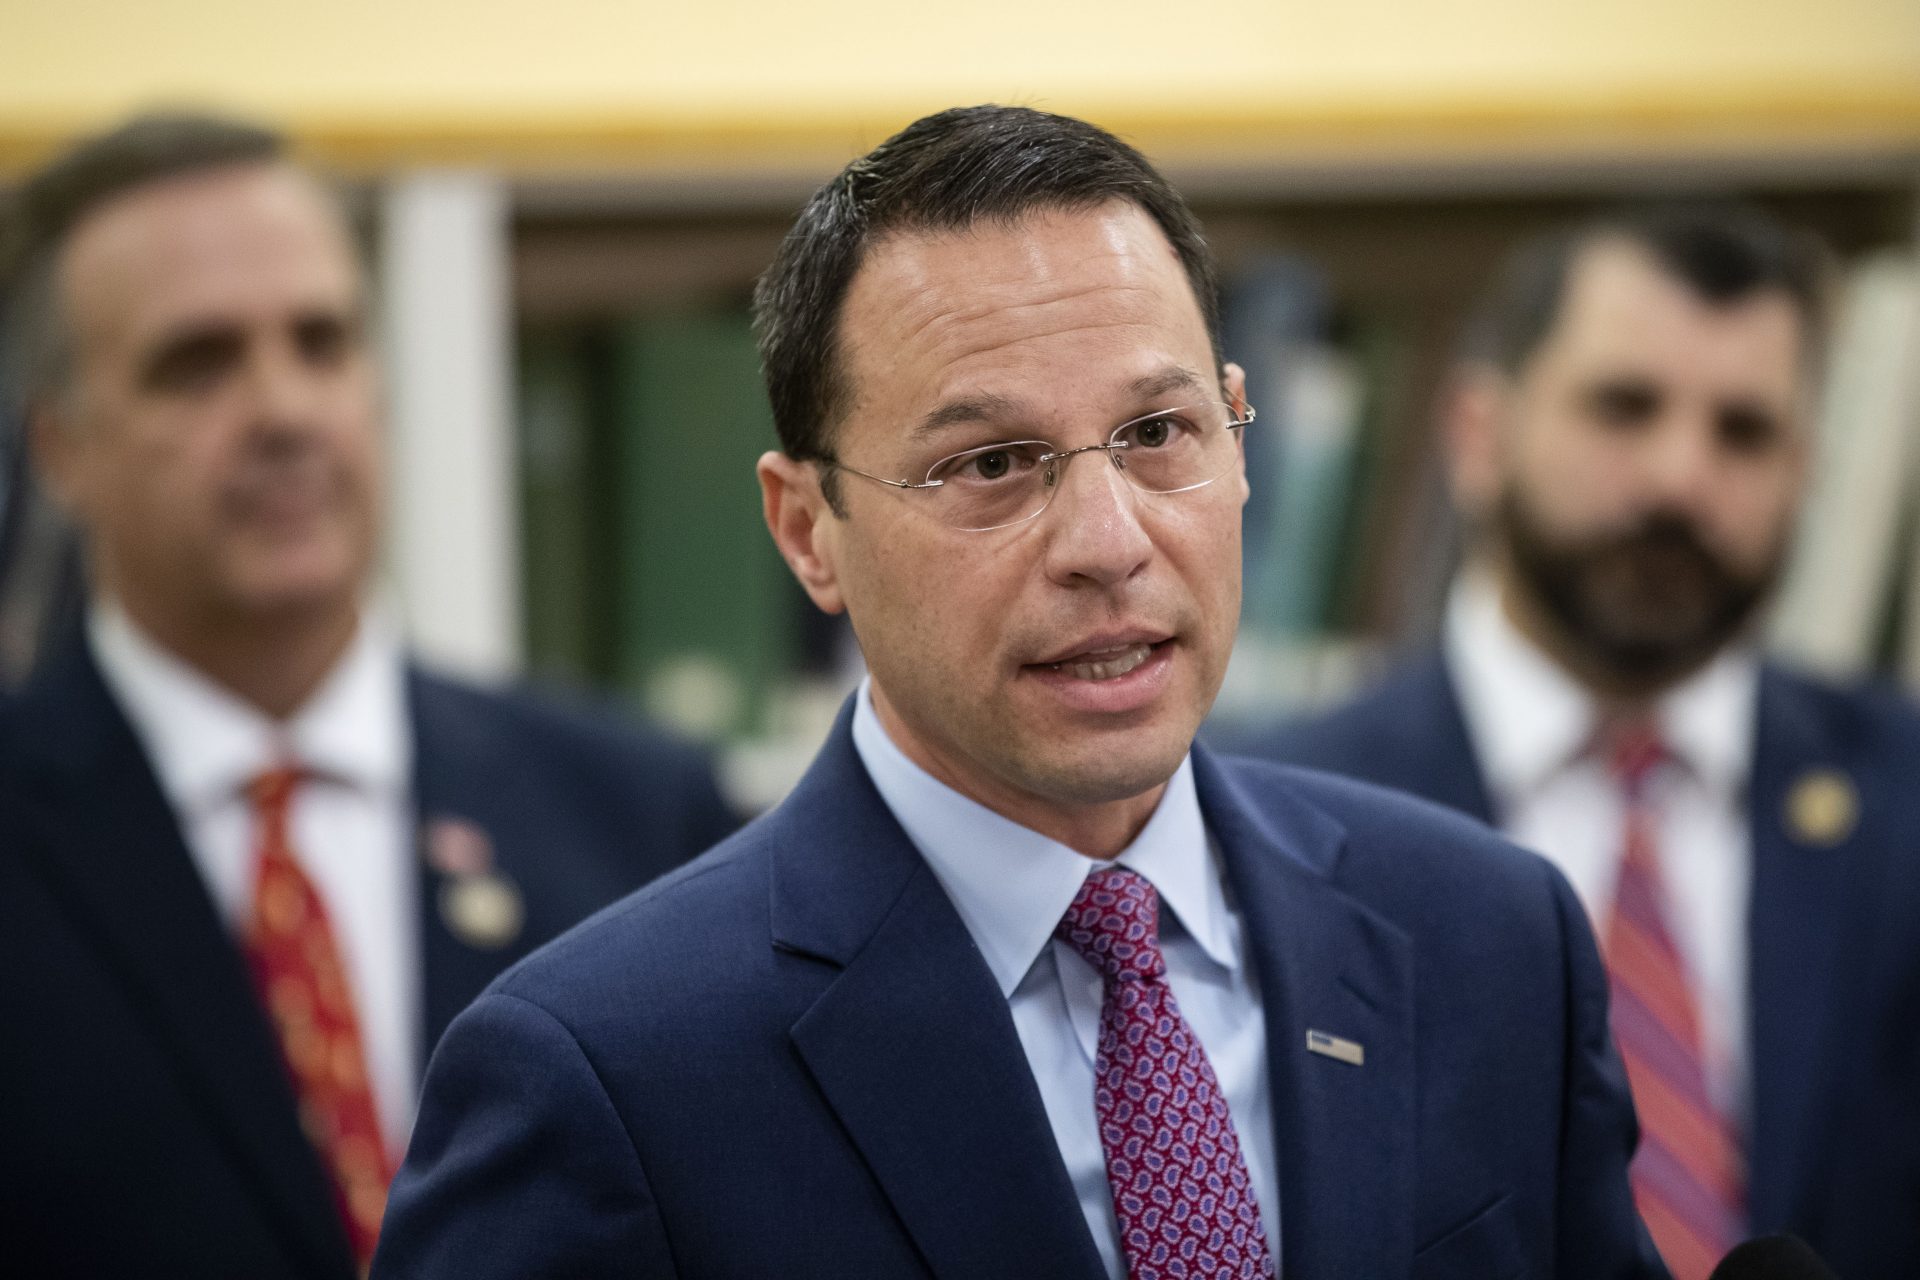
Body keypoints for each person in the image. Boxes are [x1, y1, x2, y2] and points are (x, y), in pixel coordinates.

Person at [374, 105, 1666, 1280]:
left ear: (1237, 435)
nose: (1109, 541)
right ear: (807, 530)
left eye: (1160, 435)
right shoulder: (603, 1075)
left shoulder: (1492, 943)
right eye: (992, 463)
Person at [0, 113, 737, 1280]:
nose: (284, 409)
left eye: (323, 340)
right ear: (61, 448)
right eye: (197, 362)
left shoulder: (646, 821)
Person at [1239, 205, 1920, 1278]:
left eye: (1743, 431)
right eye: (1624, 407)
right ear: (1477, 434)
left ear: (1806, 472)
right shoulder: (1275, 809)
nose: (1679, 479)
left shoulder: (1903, 800)